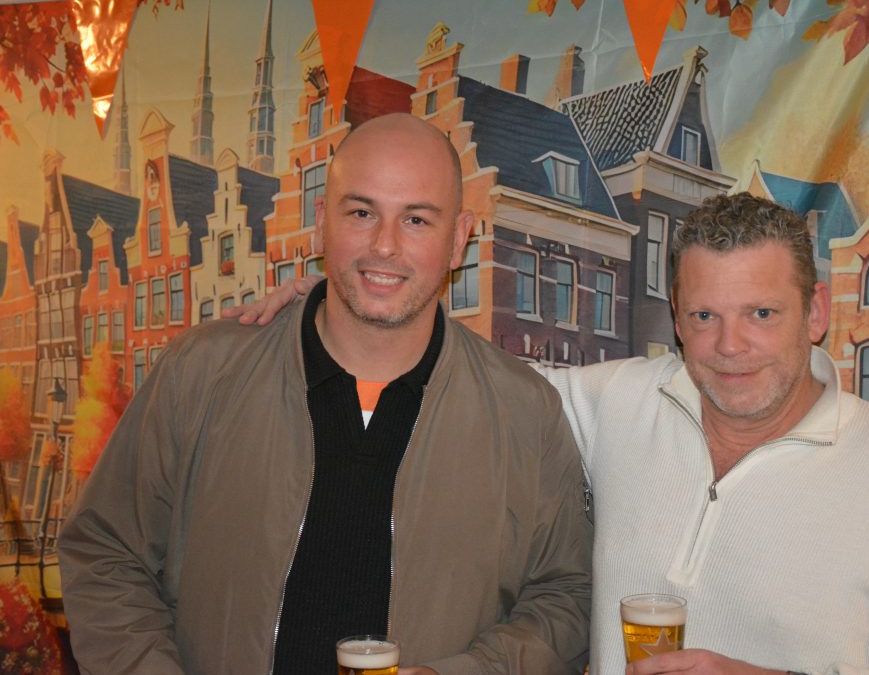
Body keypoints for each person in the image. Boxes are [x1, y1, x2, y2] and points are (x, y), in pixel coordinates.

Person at [243, 192, 869, 674]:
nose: (730, 345)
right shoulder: (623, 402)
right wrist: (353, 300)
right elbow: (471, 377)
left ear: (815, 313)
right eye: (704, 315)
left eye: (762, 313)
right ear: (675, 318)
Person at [57, 114, 593, 675]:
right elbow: (105, 554)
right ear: (320, 224)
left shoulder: (525, 413)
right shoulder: (201, 373)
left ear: (459, 239)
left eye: (416, 219)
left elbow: (567, 598)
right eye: (361, 213)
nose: (384, 245)